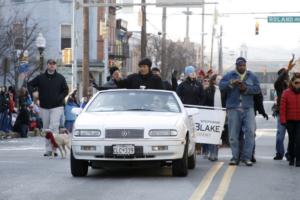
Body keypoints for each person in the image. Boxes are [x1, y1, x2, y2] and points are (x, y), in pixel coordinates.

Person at [219, 57, 260, 166]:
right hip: (233, 107)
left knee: (250, 132)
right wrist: (231, 83)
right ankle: (235, 157)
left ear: (246, 65)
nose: (242, 67)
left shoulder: (252, 76)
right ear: (236, 65)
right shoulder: (229, 75)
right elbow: (221, 86)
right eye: (239, 65)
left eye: (243, 65)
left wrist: (245, 89)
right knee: (233, 134)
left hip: (248, 108)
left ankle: (247, 157)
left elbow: (257, 89)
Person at [27, 59, 69, 156]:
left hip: (57, 106)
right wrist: (33, 93)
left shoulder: (60, 78)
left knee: (54, 126)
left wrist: (60, 97)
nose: (52, 65)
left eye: (54, 64)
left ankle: (54, 148)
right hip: (44, 106)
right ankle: (48, 149)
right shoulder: (40, 78)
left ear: (56, 66)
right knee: (46, 128)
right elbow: (29, 84)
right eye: (50, 64)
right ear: (47, 65)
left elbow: (66, 90)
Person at [177, 66, 205, 155]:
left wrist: (199, 106)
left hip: (196, 111)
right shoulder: (182, 85)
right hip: (186, 111)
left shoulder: (198, 84)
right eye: (190, 72)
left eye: (193, 72)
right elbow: (178, 96)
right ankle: (188, 146)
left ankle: (198, 148)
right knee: (189, 129)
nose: (193, 73)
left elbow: (202, 96)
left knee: (197, 129)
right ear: (187, 74)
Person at [273, 57, 295, 160]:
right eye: (284, 75)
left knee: (293, 136)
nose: (286, 77)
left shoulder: (293, 86)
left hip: (292, 113)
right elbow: (278, 80)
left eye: (287, 76)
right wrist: (287, 69)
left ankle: (289, 153)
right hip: (281, 113)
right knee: (280, 135)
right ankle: (279, 153)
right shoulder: (278, 86)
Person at [280, 73, 300, 167]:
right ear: (292, 82)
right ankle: (292, 158)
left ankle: (298, 159)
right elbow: (283, 108)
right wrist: (283, 120)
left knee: (298, 139)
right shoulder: (286, 93)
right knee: (292, 140)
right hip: (290, 121)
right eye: (296, 82)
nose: (298, 84)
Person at [204, 74, 222, 161]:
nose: (220, 80)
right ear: (214, 81)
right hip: (211, 114)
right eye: (218, 79)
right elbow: (204, 102)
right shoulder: (208, 90)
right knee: (211, 135)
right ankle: (211, 153)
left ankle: (216, 153)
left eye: (221, 79)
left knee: (218, 136)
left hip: (221, 115)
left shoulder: (223, 90)